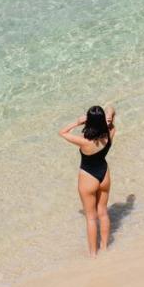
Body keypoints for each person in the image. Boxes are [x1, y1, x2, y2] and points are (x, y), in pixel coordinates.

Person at [59, 104, 116, 255]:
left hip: (88, 178)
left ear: (89, 122)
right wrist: (109, 117)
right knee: (103, 212)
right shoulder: (109, 134)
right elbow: (111, 108)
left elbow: (62, 132)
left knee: (91, 218)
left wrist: (77, 122)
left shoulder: (85, 142)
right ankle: (104, 247)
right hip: (104, 175)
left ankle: (93, 255)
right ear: (103, 120)